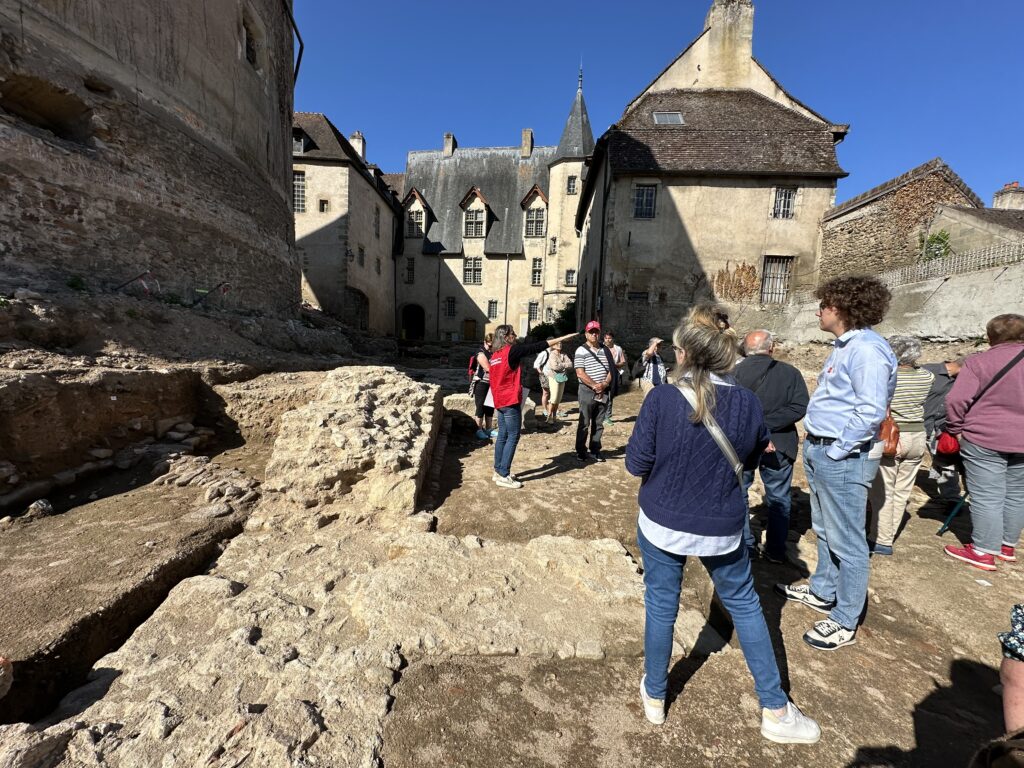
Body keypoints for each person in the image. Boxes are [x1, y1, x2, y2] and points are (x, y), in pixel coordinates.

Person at [625, 305, 820, 744]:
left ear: (685, 354)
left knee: (661, 604)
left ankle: (655, 696)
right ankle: (774, 708)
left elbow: (636, 463)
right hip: (721, 522)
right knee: (746, 606)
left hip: (663, 519)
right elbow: (749, 462)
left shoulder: (661, 398)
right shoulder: (748, 403)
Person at [776, 275, 897, 651]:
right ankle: (823, 589)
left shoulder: (867, 351)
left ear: (842, 309)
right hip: (822, 449)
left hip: (842, 455)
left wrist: (836, 450)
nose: (818, 311)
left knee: (849, 540)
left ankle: (844, 619)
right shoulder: (847, 346)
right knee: (825, 527)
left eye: (824, 305)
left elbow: (871, 411)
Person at [943, 313, 1024, 570]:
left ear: (990, 337)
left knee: (987, 495)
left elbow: (956, 400)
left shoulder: (980, 362)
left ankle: (982, 551)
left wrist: (957, 429)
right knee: (1017, 493)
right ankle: (1006, 545)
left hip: (985, 436)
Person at [735, 329, 809, 563]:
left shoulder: (733, 372)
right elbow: (800, 406)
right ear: (771, 347)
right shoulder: (790, 373)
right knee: (779, 497)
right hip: (780, 442)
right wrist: (768, 427)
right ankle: (776, 550)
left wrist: (757, 427)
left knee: (740, 493)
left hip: (743, 443)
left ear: (745, 350)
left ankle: (746, 546)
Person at [866, 335, 934, 556]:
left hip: (893, 436)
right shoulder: (927, 376)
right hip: (917, 435)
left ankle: (880, 539)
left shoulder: (888, 376)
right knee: (902, 490)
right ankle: (889, 533)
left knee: (883, 491)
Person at [489, 325, 578, 489]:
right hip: (509, 400)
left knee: (503, 435)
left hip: (499, 400)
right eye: (512, 334)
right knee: (513, 435)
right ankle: (503, 474)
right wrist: (561, 339)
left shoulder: (495, 355)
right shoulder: (511, 351)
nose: (515, 336)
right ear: (505, 337)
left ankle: (498, 470)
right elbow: (536, 346)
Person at [922, 357, 964, 504]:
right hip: (918, 423)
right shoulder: (928, 370)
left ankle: (951, 499)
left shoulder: (961, 380)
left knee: (946, 460)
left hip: (941, 426)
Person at [574, 320, 615, 462]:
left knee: (599, 423)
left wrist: (604, 384)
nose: (594, 334)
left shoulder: (606, 350)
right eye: (591, 332)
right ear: (586, 334)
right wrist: (594, 385)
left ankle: (595, 449)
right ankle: (580, 450)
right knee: (584, 423)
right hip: (587, 391)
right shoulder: (580, 350)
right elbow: (580, 372)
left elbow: (611, 370)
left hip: (602, 391)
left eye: (596, 332)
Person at [472, 333, 496, 441]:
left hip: (492, 383)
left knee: (490, 406)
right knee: (480, 406)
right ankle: (479, 429)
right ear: (485, 342)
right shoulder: (480, 352)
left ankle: (489, 429)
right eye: (489, 346)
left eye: (493, 346)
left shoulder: (494, 352)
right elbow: (488, 368)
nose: (491, 348)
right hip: (481, 382)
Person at [542, 340, 572, 427]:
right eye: (558, 343)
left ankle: (555, 417)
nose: (560, 345)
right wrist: (564, 365)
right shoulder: (552, 354)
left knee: (558, 398)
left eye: (561, 343)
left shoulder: (563, 354)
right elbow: (554, 367)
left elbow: (571, 364)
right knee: (554, 397)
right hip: (554, 377)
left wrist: (561, 364)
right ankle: (549, 417)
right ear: (553, 345)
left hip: (562, 377)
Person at [603, 330, 627, 425]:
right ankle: (599, 415)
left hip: (613, 374)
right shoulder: (600, 348)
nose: (608, 340)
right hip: (602, 374)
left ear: (613, 339)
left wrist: (615, 365)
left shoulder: (618, 349)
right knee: (600, 394)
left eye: (609, 338)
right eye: (606, 338)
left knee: (610, 395)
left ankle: (607, 416)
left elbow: (623, 362)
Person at [532, 341, 553, 423]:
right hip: (545, 375)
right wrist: (541, 373)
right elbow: (536, 364)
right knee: (546, 393)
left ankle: (551, 409)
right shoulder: (544, 353)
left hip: (553, 376)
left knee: (553, 393)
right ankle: (545, 409)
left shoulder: (554, 352)